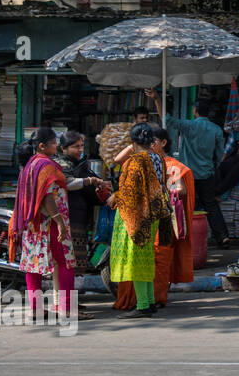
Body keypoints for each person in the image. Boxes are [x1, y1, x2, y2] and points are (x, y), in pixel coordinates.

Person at [8, 127, 91, 320]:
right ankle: (67, 309)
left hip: (33, 222)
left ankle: (35, 309)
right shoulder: (46, 165)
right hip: (50, 222)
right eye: (53, 143)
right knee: (65, 263)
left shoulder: (30, 164)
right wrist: (60, 222)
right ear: (42, 146)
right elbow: (47, 197)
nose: (56, 146)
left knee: (33, 265)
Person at [107, 123, 172, 319]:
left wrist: (115, 197)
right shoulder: (158, 158)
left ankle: (143, 305)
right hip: (153, 214)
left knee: (135, 261)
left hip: (136, 215)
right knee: (145, 259)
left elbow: (131, 192)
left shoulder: (136, 161)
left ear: (133, 141)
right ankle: (149, 301)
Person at [152, 92, 230, 247]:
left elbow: (166, 119)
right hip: (207, 173)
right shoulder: (216, 130)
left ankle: (183, 236)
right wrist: (213, 166)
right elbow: (219, 154)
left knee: (186, 205)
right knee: (211, 205)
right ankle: (222, 236)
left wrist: (156, 99)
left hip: (188, 174)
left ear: (195, 111)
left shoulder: (189, 126)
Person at [150, 126, 195, 307]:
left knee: (161, 260)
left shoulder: (171, 165)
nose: (149, 146)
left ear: (163, 143)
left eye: (152, 142)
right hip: (148, 218)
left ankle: (158, 297)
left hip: (164, 219)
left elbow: (180, 189)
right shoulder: (146, 162)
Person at [55, 130, 105, 275]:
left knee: (74, 260)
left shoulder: (78, 164)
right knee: (67, 260)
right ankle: (66, 293)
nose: (80, 150)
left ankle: (69, 290)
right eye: (75, 147)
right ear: (63, 148)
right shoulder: (61, 164)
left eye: (81, 146)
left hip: (78, 217)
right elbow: (67, 183)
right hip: (67, 217)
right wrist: (90, 180)